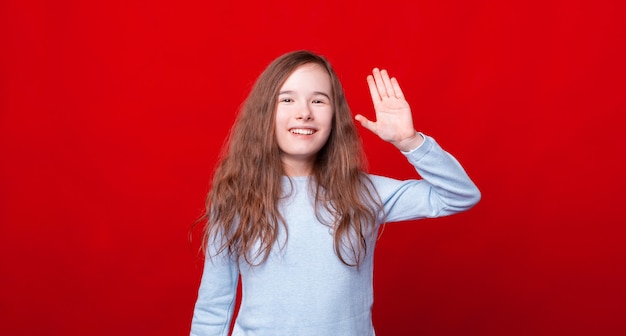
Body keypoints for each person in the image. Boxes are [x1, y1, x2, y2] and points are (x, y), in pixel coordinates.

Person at [190, 50, 481, 336]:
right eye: (287, 99)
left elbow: (459, 195)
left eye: (318, 100)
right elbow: (215, 303)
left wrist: (410, 141)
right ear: (265, 113)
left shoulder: (363, 192)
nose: (304, 112)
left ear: (335, 117)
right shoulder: (237, 198)